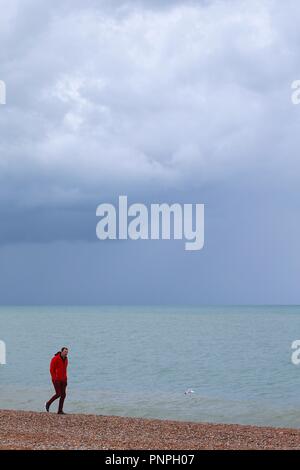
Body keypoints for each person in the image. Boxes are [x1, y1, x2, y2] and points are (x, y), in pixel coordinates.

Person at [45, 347, 69, 414]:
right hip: (56, 379)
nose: (66, 353)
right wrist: (54, 378)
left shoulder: (66, 359)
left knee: (63, 395)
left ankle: (60, 410)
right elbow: (51, 369)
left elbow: (65, 370)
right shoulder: (55, 358)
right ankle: (48, 403)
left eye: (67, 352)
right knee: (58, 394)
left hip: (63, 379)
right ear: (61, 351)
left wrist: (66, 378)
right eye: (65, 352)